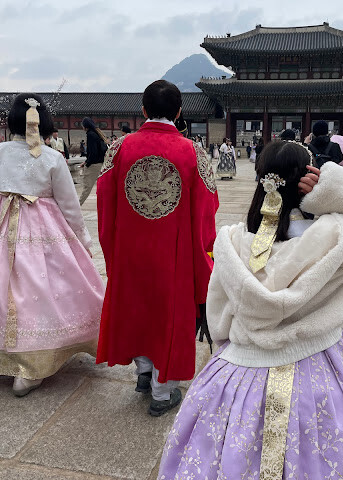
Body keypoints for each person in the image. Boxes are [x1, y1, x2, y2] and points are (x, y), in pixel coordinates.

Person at [158, 140, 343, 479]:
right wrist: (333, 188)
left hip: (241, 366)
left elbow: (217, 322)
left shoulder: (232, 243)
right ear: (308, 178)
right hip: (319, 362)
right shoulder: (337, 237)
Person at [0, 93, 104, 397]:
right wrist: (82, 240)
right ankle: (38, 361)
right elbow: (69, 205)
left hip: (4, 227)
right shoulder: (52, 157)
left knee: (6, 287)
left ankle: (15, 356)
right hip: (45, 229)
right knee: (44, 286)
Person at [96, 80, 218, 416]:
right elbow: (206, 209)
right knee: (168, 315)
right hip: (174, 254)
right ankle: (162, 393)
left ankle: (144, 371)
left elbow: (104, 202)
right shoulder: (193, 152)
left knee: (137, 307)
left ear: (143, 110)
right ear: (179, 112)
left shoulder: (119, 149)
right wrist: (203, 252)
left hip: (130, 250)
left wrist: (113, 248)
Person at [79, 117, 108, 205]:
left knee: (86, 188)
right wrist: (86, 161)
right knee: (102, 187)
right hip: (101, 164)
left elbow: (93, 152)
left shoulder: (90, 134)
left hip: (94, 166)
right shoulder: (97, 133)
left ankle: (77, 206)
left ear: (85, 126)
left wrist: (87, 163)